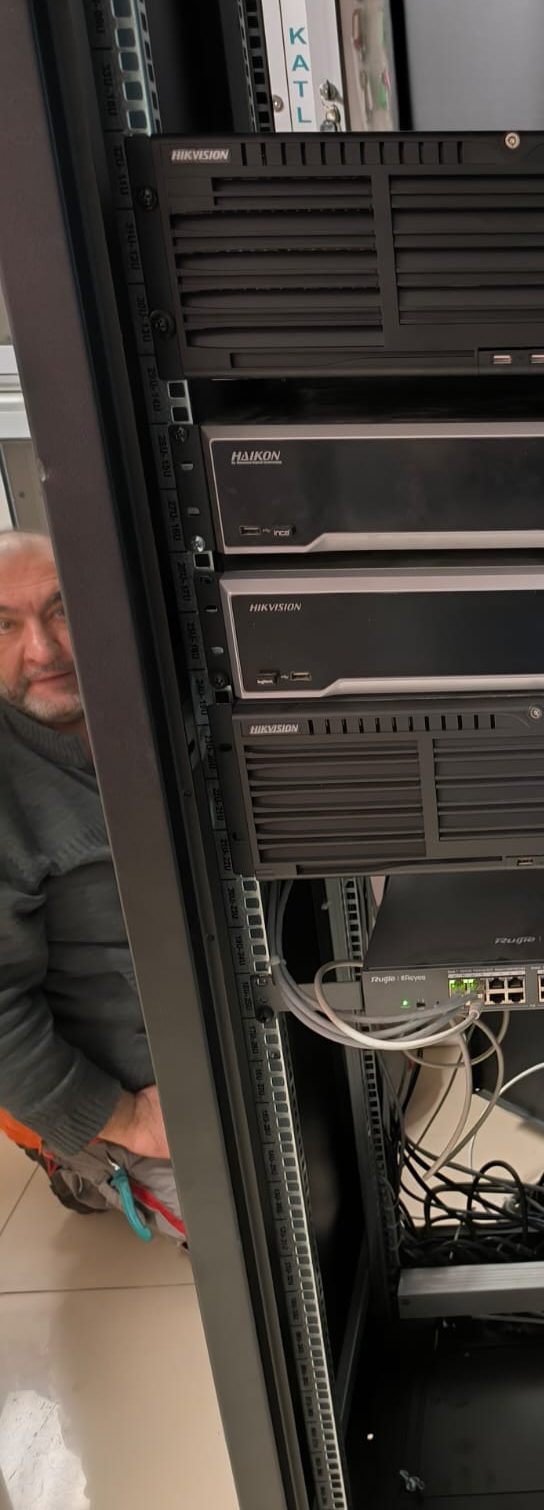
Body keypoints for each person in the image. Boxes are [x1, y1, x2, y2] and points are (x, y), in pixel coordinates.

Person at [0, 530, 184, 1239]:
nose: (43, 650)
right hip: (139, 1093)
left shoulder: (155, 698)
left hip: (236, 1022)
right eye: (4, 626)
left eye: (63, 609)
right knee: (285, 1236)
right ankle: (77, 1167)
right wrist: (128, 1119)